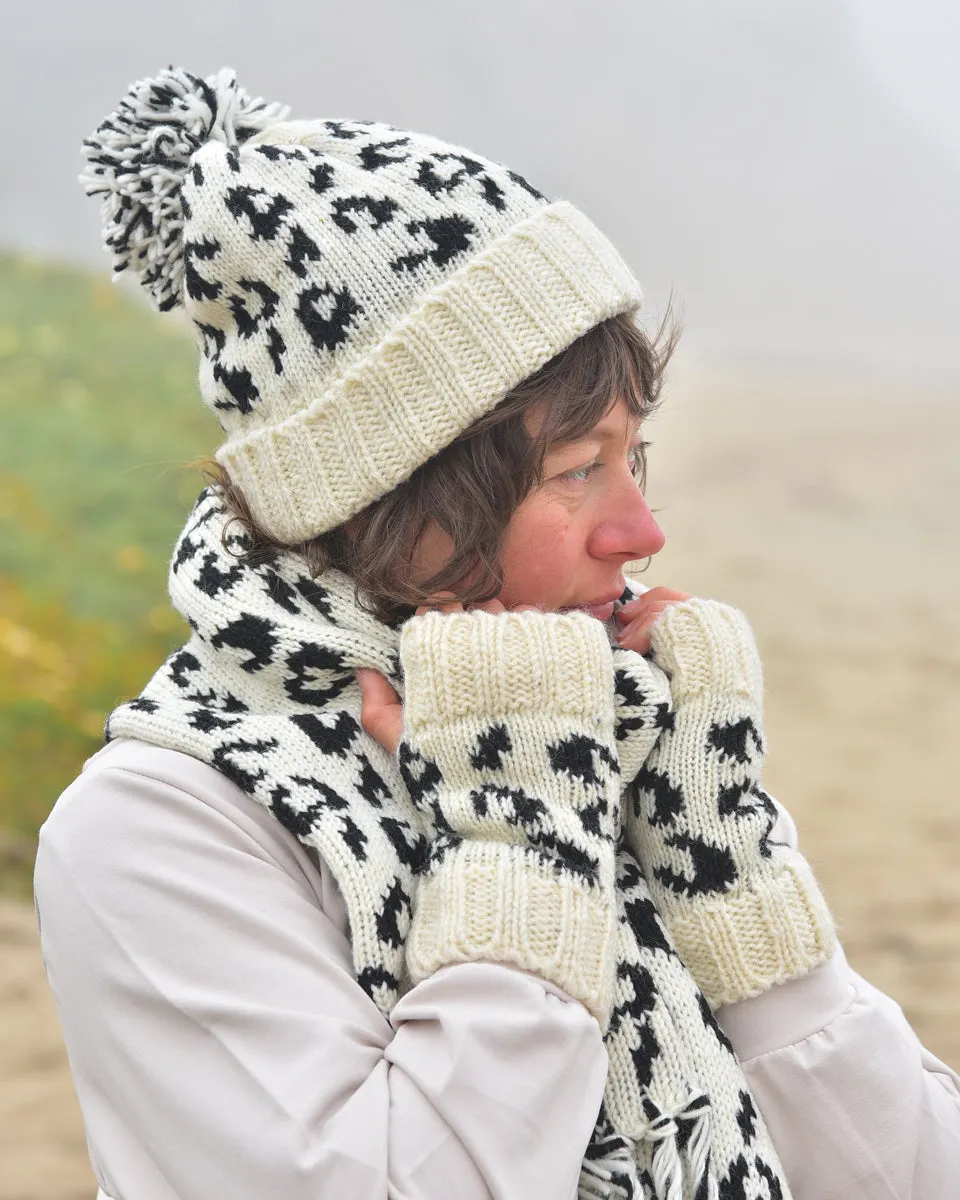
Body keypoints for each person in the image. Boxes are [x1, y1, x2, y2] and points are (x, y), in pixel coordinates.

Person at [34, 66, 960, 1200]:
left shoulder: (600, 729)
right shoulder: (161, 832)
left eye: (638, 458)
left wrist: (735, 879)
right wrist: (524, 839)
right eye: (579, 471)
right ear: (387, 496)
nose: (643, 531)